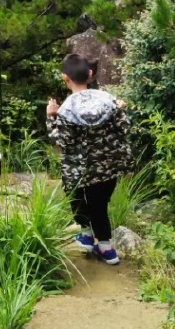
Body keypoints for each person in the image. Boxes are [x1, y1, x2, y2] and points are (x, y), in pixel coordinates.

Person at [45, 52, 133, 265]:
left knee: (78, 198)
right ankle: (104, 247)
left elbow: (61, 142)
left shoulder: (65, 109)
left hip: (79, 170)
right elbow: (125, 128)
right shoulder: (108, 100)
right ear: (91, 74)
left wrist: (51, 116)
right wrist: (120, 108)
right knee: (100, 204)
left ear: (65, 78)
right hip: (109, 167)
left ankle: (89, 235)